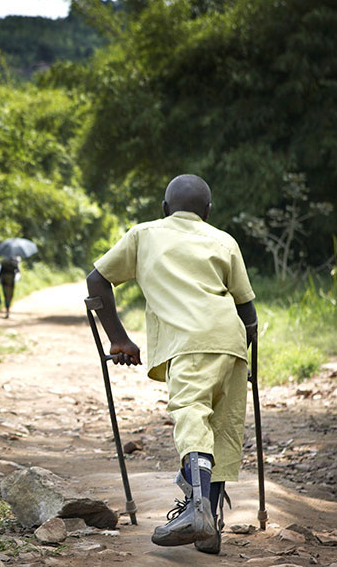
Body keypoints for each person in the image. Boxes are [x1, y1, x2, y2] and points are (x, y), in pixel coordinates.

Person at [85, 174, 258, 555]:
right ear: (208, 211)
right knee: (222, 429)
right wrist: (247, 356)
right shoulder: (223, 240)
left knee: (191, 413)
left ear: (165, 209)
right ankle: (210, 523)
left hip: (188, 343)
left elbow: (97, 281)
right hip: (231, 341)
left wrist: (118, 338)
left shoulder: (144, 234)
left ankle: (196, 510)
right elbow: (247, 309)